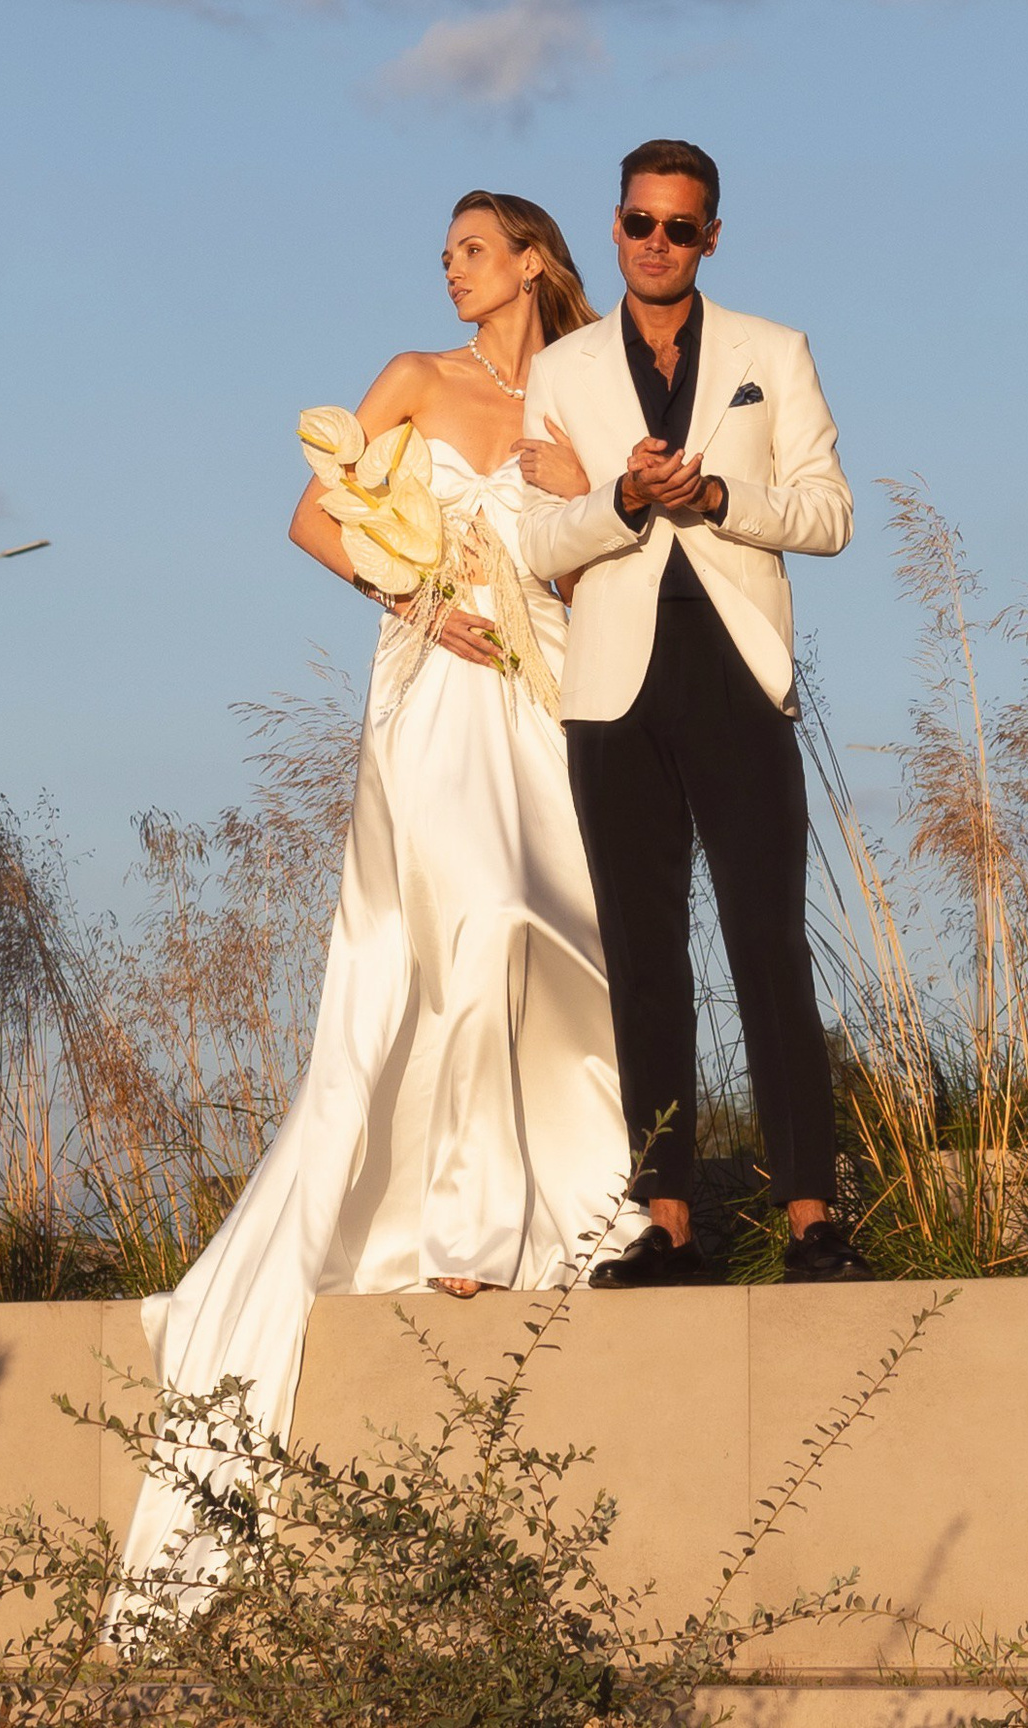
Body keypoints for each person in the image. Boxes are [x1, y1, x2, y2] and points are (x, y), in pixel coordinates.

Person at [116, 190, 639, 1608]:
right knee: (470, 925)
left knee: (560, 933)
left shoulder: (585, 391)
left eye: (474, 249)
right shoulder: (413, 379)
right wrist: (415, 606)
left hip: (539, 695)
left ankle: (577, 1213)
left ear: (533, 260)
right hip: (430, 689)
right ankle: (466, 1232)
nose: (452, 269)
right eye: (448, 255)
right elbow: (311, 516)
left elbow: (602, 556)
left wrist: (569, 511)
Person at [515, 138, 867, 1287]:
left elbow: (827, 515)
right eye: (637, 224)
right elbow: (533, 540)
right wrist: (621, 498)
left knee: (767, 941)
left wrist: (714, 496)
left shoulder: (775, 351)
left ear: (711, 236)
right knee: (643, 950)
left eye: (679, 227)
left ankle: (812, 1214)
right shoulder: (560, 368)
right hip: (611, 687)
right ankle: (667, 1224)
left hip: (737, 671)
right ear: (612, 226)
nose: (656, 244)